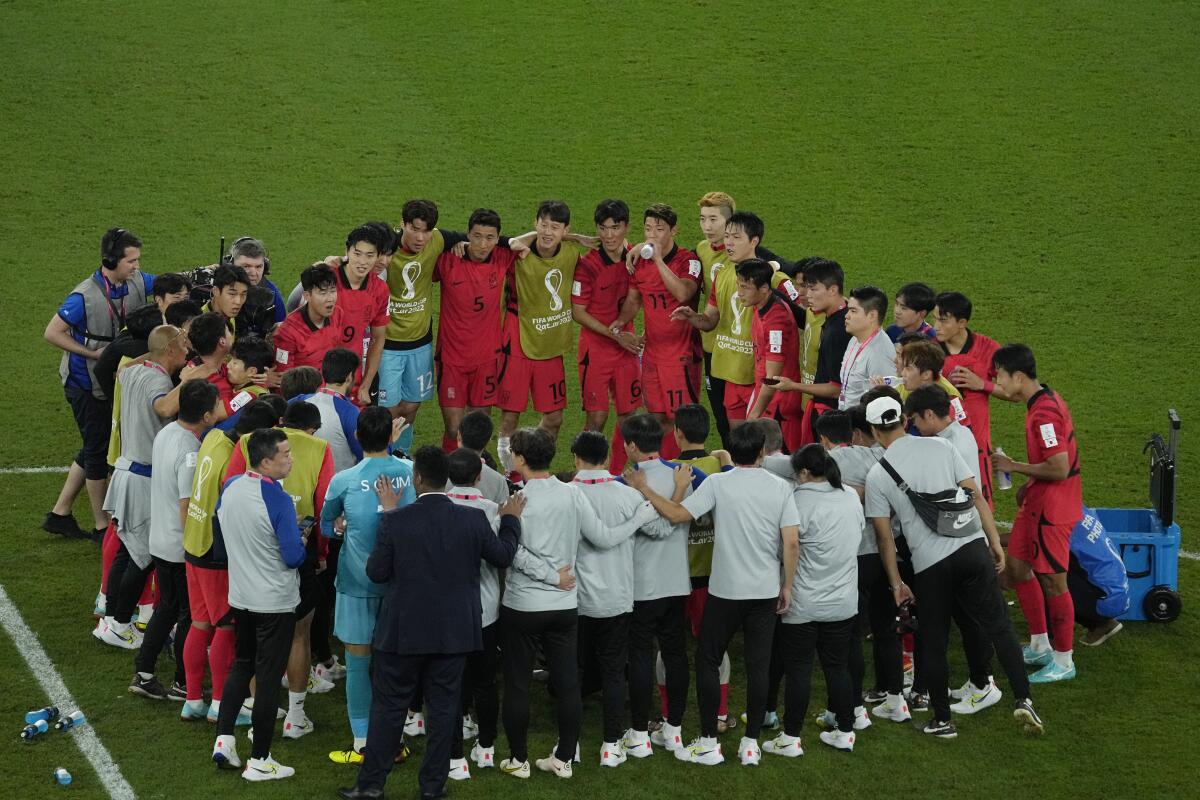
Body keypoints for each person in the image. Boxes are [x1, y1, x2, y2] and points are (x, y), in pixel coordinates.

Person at [335, 447, 524, 800]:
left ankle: (371, 785)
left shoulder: (396, 521)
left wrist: (389, 514)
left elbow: (376, 573)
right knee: (443, 710)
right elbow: (502, 555)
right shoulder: (472, 520)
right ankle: (433, 788)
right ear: (447, 480)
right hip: (453, 634)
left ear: (418, 479)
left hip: (402, 633)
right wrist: (511, 519)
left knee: (389, 709)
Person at [862, 395, 1044, 738]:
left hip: (931, 564)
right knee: (999, 626)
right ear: (904, 419)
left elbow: (884, 539)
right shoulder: (941, 447)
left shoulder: (877, 474)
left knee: (933, 639)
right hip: (972, 548)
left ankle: (942, 721)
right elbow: (976, 496)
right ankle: (1024, 699)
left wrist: (896, 581)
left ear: (874, 431)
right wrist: (992, 541)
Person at [626, 423, 799, 766]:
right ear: (763, 452)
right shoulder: (780, 487)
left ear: (730, 453)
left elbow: (676, 515)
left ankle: (708, 742)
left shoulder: (720, 483)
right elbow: (792, 541)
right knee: (758, 665)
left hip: (726, 591)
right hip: (764, 590)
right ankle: (750, 746)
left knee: (708, 658)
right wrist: (787, 585)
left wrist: (645, 489)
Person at [498, 427, 658, 780]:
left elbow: (511, 553)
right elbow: (603, 538)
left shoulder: (517, 500)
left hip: (524, 605)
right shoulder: (571, 495)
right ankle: (564, 760)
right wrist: (639, 518)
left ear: (521, 459)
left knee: (519, 684)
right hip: (563, 607)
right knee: (569, 681)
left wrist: (549, 575)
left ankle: (519, 760)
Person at [225, 400, 336, 736]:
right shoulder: (318, 450)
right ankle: (294, 719)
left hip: (244, 574)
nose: (291, 459)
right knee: (298, 637)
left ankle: (236, 728)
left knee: (250, 653)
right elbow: (324, 506)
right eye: (285, 456)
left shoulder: (246, 447)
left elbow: (227, 494)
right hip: (283, 575)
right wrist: (318, 551)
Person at [444, 448, 554, 779]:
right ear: (479, 477)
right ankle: (488, 749)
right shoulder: (493, 510)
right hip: (485, 611)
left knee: (450, 684)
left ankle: (454, 760)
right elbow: (503, 555)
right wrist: (511, 520)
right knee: (485, 681)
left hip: (447, 612)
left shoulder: (438, 508)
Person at [94, 326, 207, 650]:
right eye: (182, 345)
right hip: (143, 478)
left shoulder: (133, 372)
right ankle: (118, 623)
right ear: (170, 350)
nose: (187, 350)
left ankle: (114, 619)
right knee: (141, 559)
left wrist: (161, 349)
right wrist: (189, 379)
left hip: (126, 471)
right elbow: (163, 408)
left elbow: (124, 367)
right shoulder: (158, 381)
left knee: (129, 551)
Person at [568, 431, 677, 767]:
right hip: (617, 598)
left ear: (576, 458)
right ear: (606, 457)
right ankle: (611, 745)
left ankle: (569, 746)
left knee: (571, 672)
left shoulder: (566, 494)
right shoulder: (627, 495)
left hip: (573, 600)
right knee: (615, 672)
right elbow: (661, 530)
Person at [45, 227, 155, 542]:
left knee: (96, 441)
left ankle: (60, 513)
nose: (137, 266)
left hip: (108, 378)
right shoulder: (84, 296)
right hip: (84, 382)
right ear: (111, 260)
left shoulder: (135, 280)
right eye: (131, 260)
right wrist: (91, 352)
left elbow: (162, 282)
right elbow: (52, 333)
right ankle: (101, 525)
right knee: (97, 449)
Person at [321, 407, 417, 765]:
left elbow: (327, 524)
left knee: (359, 664)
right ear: (391, 437)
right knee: (395, 664)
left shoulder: (343, 480)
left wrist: (342, 528)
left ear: (358, 438)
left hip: (357, 584)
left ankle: (363, 743)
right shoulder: (410, 474)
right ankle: (395, 738)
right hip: (401, 586)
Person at [212, 428, 307, 781]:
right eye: (284, 453)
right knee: (267, 679)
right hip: (275, 602)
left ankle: (223, 740)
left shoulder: (232, 487)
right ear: (266, 461)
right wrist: (299, 536)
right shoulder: (278, 500)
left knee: (242, 665)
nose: (290, 458)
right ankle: (260, 759)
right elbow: (294, 556)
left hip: (242, 597)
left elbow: (219, 539)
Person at [181, 398, 283, 724]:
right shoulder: (236, 459)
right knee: (227, 627)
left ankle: (193, 699)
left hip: (192, 543)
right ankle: (221, 704)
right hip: (214, 553)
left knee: (200, 624)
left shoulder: (213, 436)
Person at [904, 384, 1002, 713]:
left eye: (916, 419)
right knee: (966, 615)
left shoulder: (950, 446)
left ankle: (984, 684)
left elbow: (965, 497)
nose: (914, 425)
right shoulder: (956, 436)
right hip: (961, 541)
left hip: (960, 541)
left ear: (930, 414)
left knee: (970, 616)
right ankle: (978, 681)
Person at [991, 344, 1083, 683]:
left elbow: (1059, 467)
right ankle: (1041, 644)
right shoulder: (1045, 399)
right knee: (1016, 566)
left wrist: (1013, 466)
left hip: (1052, 509)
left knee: (1054, 582)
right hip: (1037, 501)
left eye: (1000, 375)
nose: (998, 381)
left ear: (1018, 376)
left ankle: (1063, 661)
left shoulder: (1044, 414)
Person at [764, 445, 862, 756]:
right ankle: (845, 731)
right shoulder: (849, 495)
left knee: (799, 669)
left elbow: (785, 548)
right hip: (843, 599)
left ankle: (791, 737)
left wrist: (786, 585)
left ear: (805, 472)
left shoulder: (795, 499)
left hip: (804, 601)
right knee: (837, 667)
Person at [130, 379, 222, 700]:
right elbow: (187, 506)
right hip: (178, 546)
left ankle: (143, 672)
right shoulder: (191, 452)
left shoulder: (166, 433)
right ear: (208, 416)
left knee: (165, 610)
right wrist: (195, 547)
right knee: (189, 616)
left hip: (159, 540)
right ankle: (183, 682)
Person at [673, 214, 801, 441]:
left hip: (758, 377)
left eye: (736, 237)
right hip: (728, 373)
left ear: (754, 241)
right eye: (727, 236)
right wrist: (693, 318)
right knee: (735, 440)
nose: (729, 243)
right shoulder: (722, 274)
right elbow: (711, 320)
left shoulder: (775, 280)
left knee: (766, 444)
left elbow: (804, 317)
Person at [617, 414, 697, 757]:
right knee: (675, 654)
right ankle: (673, 729)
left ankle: (638, 733)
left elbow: (661, 528)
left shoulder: (628, 485)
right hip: (677, 582)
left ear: (632, 446)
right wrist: (678, 491)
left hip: (642, 586)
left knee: (639, 656)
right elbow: (681, 519)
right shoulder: (683, 476)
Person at [497, 201, 588, 462]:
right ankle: (509, 473)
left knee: (555, 418)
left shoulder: (571, 253)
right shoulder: (519, 253)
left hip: (551, 345)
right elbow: (509, 242)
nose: (548, 232)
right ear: (535, 224)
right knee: (510, 417)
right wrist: (551, 235)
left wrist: (572, 238)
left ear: (565, 229)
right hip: (518, 343)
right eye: (543, 225)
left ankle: (534, 464)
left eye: (555, 227)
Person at [611, 204, 703, 459]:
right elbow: (633, 299)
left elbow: (683, 293)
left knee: (682, 421)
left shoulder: (689, 261)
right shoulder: (639, 261)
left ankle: (685, 471)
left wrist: (659, 259)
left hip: (681, 355)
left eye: (659, 229)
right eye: (648, 229)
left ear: (674, 231)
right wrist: (619, 323)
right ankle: (660, 468)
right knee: (656, 418)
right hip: (652, 354)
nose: (652, 235)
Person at [380, 200, 469, 454]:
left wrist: (464, 244)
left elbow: (482, 239)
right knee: (389, 409)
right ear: (403, 224)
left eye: (426, 231)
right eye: (414, 229)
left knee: (411, 406)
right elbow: (355, 260)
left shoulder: (438, 241)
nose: (421, 238)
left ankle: (402, 455)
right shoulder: (386, 248)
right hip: (388, 344)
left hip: (420, 343)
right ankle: (381, 457)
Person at [434, 209, 519, 450]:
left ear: (498, 238)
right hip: (451, 359)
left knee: (478, 428)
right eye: (477, 236)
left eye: (490, 237)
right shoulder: (448, 259)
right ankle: (449, 481)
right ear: (467, 234)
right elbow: (427, 240)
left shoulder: (503, 257)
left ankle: (471, 478)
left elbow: (541, 238)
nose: (483, 244)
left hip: (487, 359)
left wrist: (575, 238)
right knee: (453, 428)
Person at [570, 199, 641, 470]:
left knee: (629, 416)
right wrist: (616, 335)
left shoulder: (635, 256)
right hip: (596, 350)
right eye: (603, 228)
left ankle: (615, 474)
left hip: (627, 346)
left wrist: (625, 333)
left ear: (626, 227)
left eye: (615, 227)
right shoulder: (587, 266)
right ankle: (586, 476)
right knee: (596, 418)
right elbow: (578, 312)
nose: (609, 235)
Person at [934, 291, 1006, 506]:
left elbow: (1015, 392)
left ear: (962, 322)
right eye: (934, 318)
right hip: (938, 441)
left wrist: (982, 384)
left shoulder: (988, 349)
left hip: (976, 444)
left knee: (979, 505)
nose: (935, 325)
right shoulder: (928, 347)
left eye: (942, 320)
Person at [328, 224, 393, 406]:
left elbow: (378, 339)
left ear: (378, 256)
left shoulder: (380, 290)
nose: (362, 262)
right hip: (322, 375)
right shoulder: (327, 280)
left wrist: (366, 383)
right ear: (347, 251)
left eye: (370, 255)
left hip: (354, 380)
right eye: (357, 254)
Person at [291, 348, 365, 473]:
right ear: (349, 377)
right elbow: (366, 456)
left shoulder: (297, 402)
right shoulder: (351, 413)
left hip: (302, 483)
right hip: (338, 487)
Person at [273, 264, 350, 376]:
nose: (330, 299)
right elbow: (284, 379)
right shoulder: (287, 332)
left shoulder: (338, 314)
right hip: (303, 391)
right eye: (322, 293)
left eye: (333, 291)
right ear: (307, 296)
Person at [1069, 506, 1129, 646]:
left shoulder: (1058, 520)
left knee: (1046, 575)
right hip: (1116, 593)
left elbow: (1028, 542)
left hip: (1104, 599)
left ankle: (1048, 642)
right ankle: (1100, 625)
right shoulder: (1080, 508)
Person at [224, 237, 286, 327]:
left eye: (258, 267)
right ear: (230, 264)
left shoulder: (273, 295)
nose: (253, 273)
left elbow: (281, 330)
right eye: (246, 266)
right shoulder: (216, 286)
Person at [456, 410, 510, 506]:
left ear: (459, 436)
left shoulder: (440, 472)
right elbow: (503, 514)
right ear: (488, 441)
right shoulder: (498, 481)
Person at [202, 264, 251, 339]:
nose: (238, 302)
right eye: (232, 294)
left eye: (243, 294)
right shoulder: (201, 325)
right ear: (216, 291)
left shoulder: (228, 315)